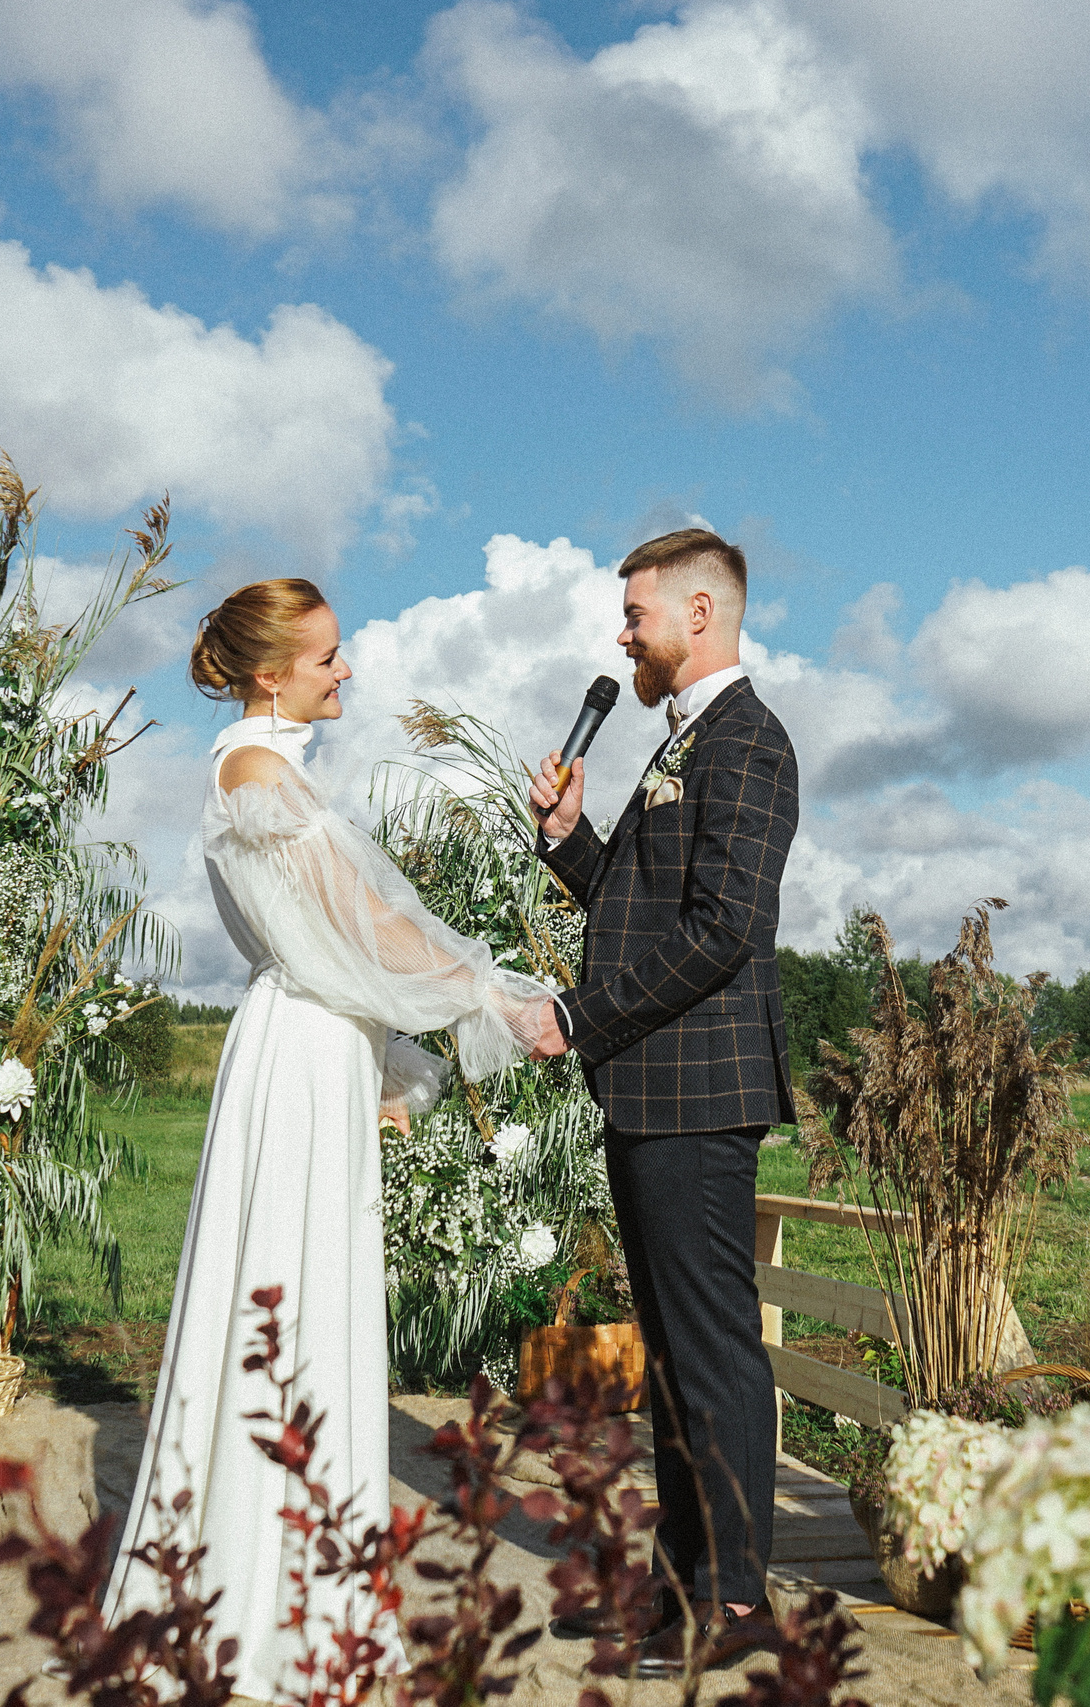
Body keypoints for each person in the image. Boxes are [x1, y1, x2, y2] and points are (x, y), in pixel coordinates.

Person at [104, 577, 557, 1698]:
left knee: (302, 1296)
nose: (345, 669)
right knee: (291, 1300)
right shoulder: (258, 774)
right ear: (271, 674)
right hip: (301, 1052)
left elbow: (337, 933)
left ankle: (291, 1566)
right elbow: (362, 924)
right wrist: (488, 997)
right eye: (328, 656)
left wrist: (399, 1056)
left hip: (310, 1043)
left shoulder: (265, 769)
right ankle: (272, 1595)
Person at [524, 528, 801, 1679]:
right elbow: (645, 910)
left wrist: (581, 1021)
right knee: (681, 1359)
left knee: (711, 1356)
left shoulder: (747, 741)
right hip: (655, 1090)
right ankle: (683, 1579)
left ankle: (733, 1602)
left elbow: (724, 932)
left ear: (699, 613)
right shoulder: (683, 742)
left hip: (696, 1092)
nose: (620, 633)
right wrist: (571, 843)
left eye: (632, 613)